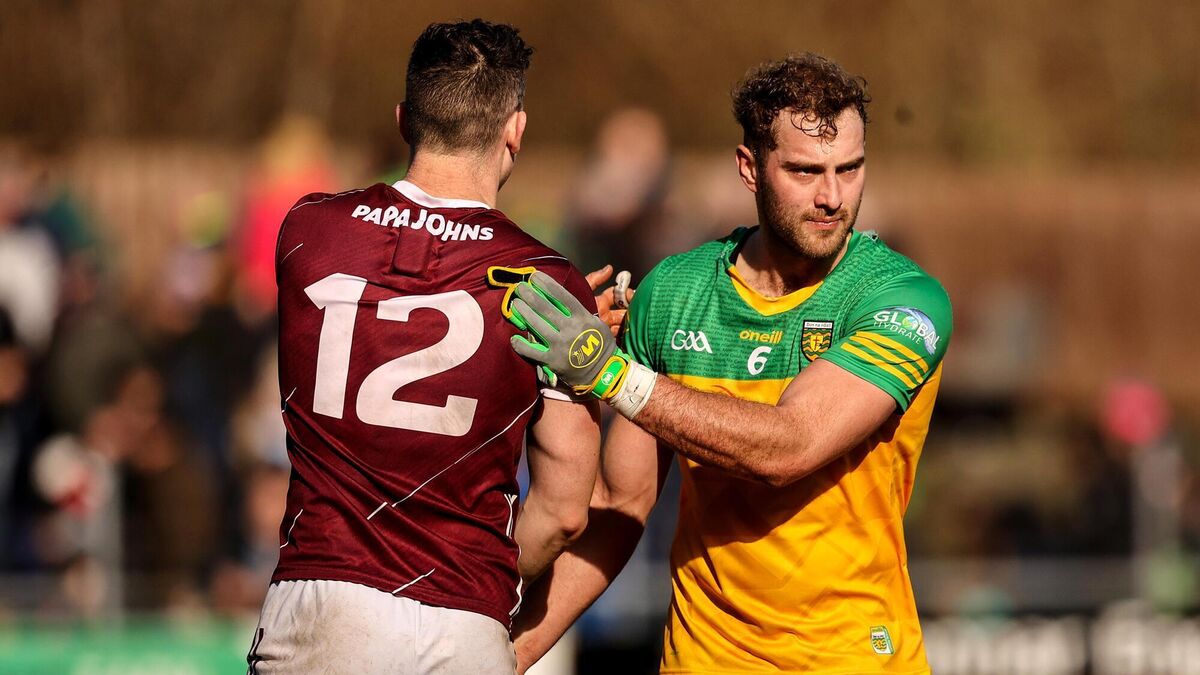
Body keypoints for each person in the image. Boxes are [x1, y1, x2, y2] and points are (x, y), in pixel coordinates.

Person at [506, 53, 953, 674]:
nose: (832, 196)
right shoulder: (673, 292)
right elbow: (619, 507)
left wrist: (610, 375)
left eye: (849, 169)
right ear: (749, 168)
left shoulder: (902, 299)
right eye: (804, 171)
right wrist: (509, 653)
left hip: (856, 658)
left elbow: (789, 447)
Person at [247, 20, 601, 674]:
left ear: (404, 119)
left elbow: (402, 283)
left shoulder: (308, 230)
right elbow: (564, 511)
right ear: (515, 130)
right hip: (460, 618)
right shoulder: (545, 282)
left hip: (323, 601)